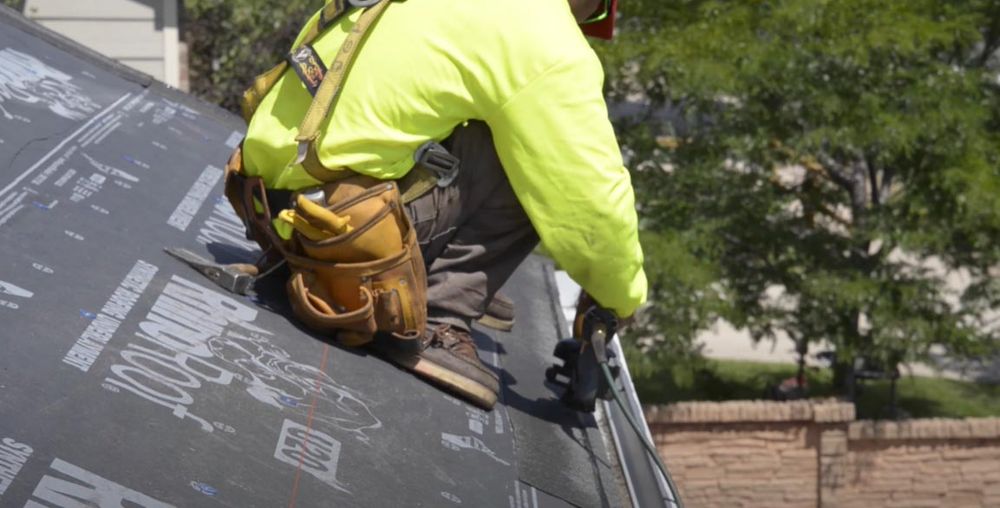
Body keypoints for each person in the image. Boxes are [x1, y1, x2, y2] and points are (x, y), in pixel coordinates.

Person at [236, 0, 646, 410]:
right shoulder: (544, 35)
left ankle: (402, 265)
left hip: (270, 205)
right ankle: (438, 313)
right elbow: (593, 207)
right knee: (541, 155)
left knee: (481, 113)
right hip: (343, 233)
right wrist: (618, 299)